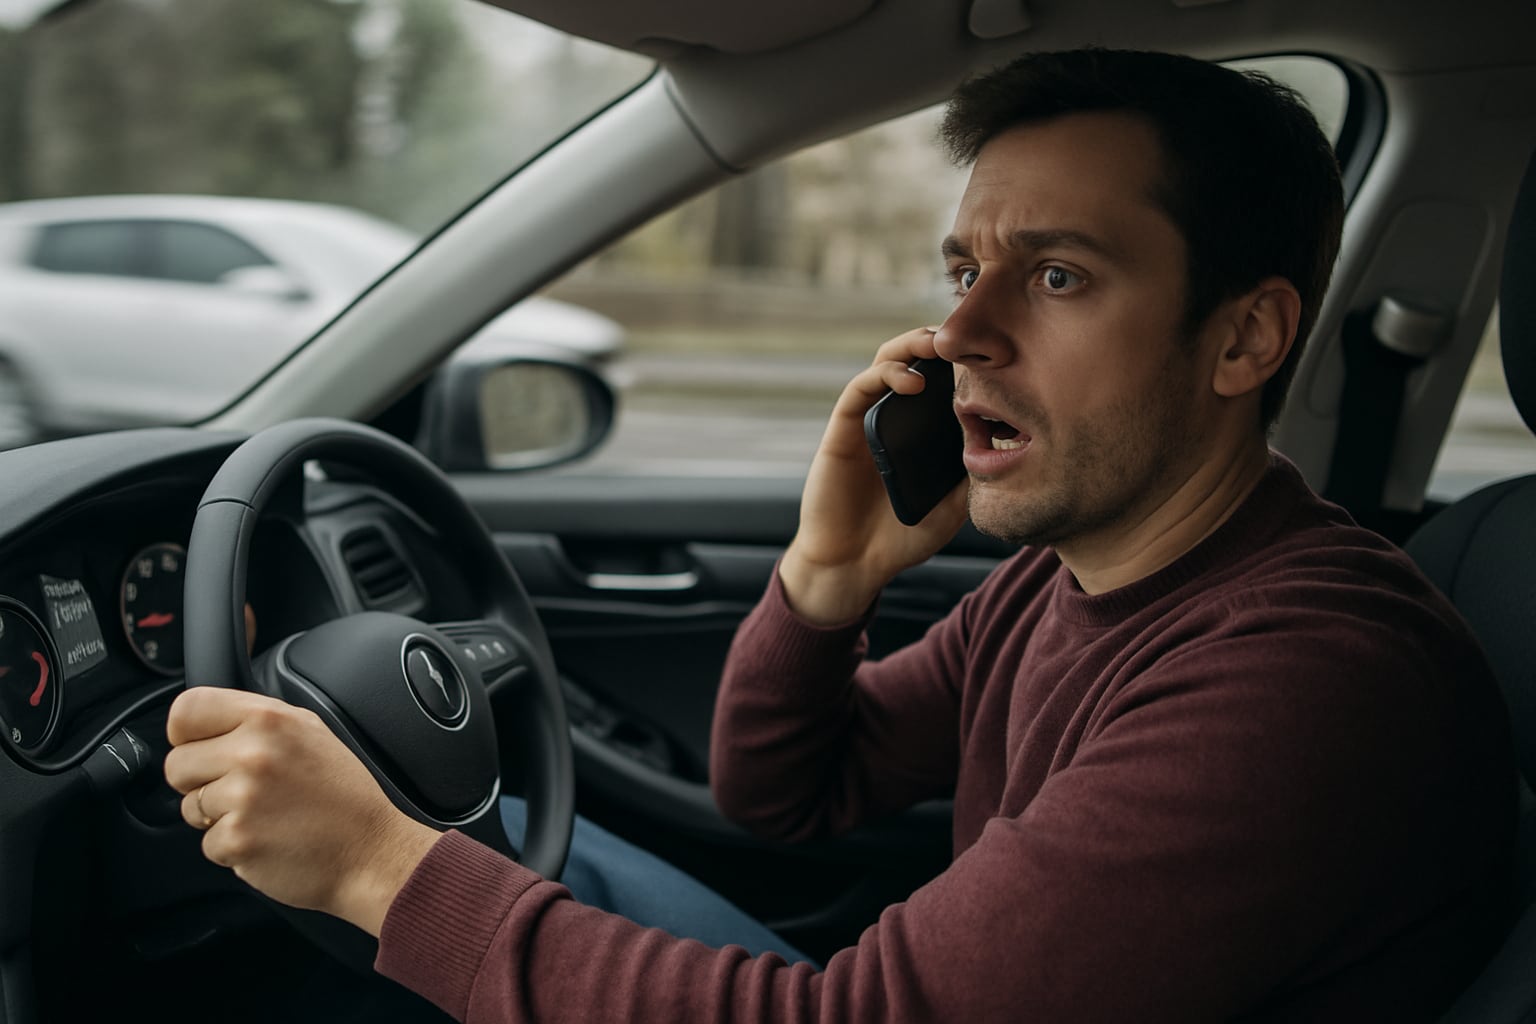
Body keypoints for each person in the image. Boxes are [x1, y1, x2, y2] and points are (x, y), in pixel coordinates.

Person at [163, 49, 1516, 1021]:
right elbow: (790, 796)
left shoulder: (1299, 678)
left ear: (1246, 338)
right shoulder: (1073, 575)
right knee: (506, 833)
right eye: (962, 270)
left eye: (1056, 275)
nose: (965, 336)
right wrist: (827, 581)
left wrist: (378, 874)